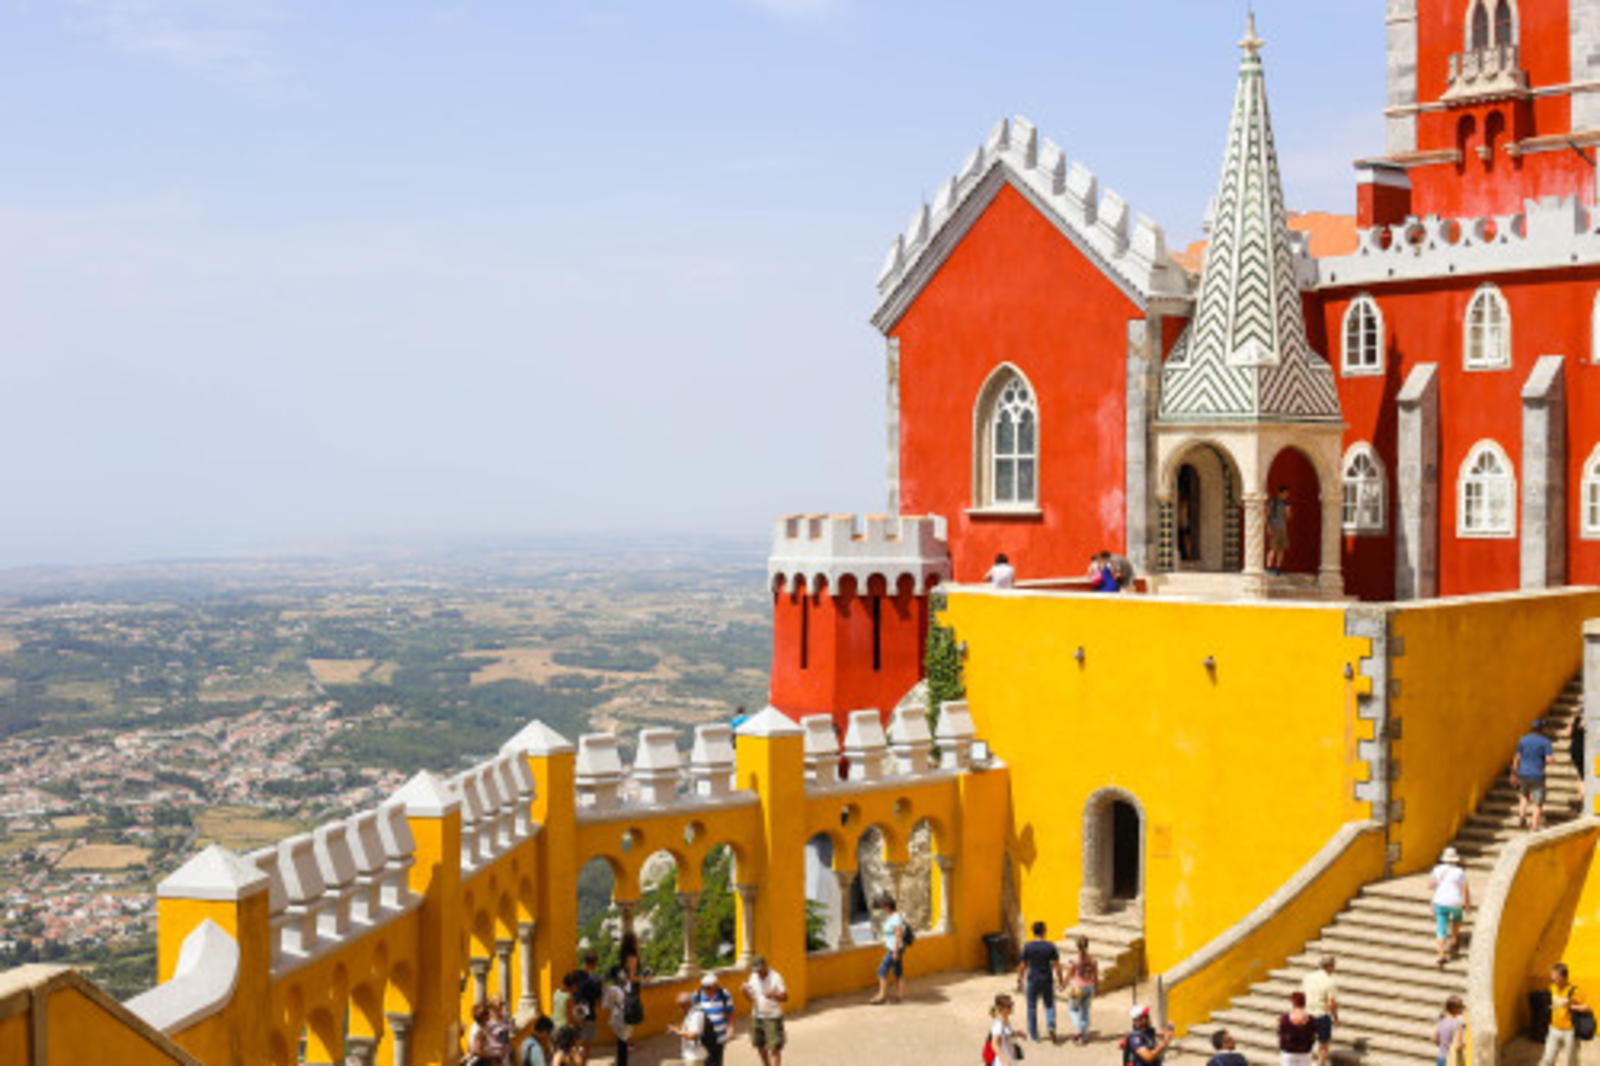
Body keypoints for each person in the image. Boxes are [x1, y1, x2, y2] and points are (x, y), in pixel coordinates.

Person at [1015, 919, 1064, 1043]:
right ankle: (1051, 1025)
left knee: (1031, 1007)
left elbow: (1022, 965)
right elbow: (1057, 965)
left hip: (1033, 979)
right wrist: (1061, 980)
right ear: (1044, 931)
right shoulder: (1050, 946)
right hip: (1047, 979)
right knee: (1049, 1005)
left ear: (1033, 932)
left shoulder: (1028, 947)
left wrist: (1019, 980)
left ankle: (1033, 1035)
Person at [742, 954, 788, 1066]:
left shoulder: (776, 977)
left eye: (760, 970)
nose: (758, 973)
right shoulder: (753, 977)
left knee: (775, 1047)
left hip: (772, 1016)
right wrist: (744, 992)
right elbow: (751, 999)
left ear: (765, 966)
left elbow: (785, 997)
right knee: (760, 1045)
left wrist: (773, 995)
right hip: (757, 1016)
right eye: (756, 970)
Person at [1542, 962, 1591, 1066]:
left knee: (1571, 1061)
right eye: (1552, 975)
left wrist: (1571, 1006)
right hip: (1553, 1029)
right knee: (1547, 1059)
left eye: (1555, 975)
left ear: (1563, 977)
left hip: (1570, 1031)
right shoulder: (1552, 987)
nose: (1552, 978)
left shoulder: (1574, 991)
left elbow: (1588, 1008)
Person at [1429, 847, 1471, 967]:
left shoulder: (1437, 870)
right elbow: (1465, 889)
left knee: (1441, 929)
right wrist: (1467, 904)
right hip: (1455, 901)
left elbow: (1430, 885)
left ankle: (1441, 955)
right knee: (1457, 918)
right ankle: (1454, 938)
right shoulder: (1459, 872)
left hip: (1440, 902)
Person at [1514, 719, 1556, 830]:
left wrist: (1514, 772)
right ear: (1542, 729)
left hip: (1523, 773)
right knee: (1538, 802)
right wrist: (1551, 760)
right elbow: (1548, 759)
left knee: (1524, 795)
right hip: (1537, 774)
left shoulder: (1523, 740)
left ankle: (1522, 816)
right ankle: (1534, 826)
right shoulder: (1545, 742)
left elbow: (1517, 757)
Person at [868, 895, 908, 1004]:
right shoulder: (892, 917)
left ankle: (882, 996)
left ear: (887, 907)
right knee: (898, 972)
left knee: (882, 970)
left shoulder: (895, 918)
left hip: (894, 950)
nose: (882, 909)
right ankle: (900, 996)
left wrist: (895, 952)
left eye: (883, 906)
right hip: (894, 948)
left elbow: (898, 935)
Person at [1301, 956, 1339, 1066]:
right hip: (1321, 1015)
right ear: (1330, 967)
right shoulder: (1330, 981)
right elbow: (1331, 1003)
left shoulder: (1308, 977)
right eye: (1333, 966)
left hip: (1308, 1014)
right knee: (1323, 1045)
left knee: (1307, 1042)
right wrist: (1335, 1018)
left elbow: (1302, 994)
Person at [1065, 934, 1099, 1045]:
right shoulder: (1093, 959)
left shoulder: (1074, 960)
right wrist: (1096, 987)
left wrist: (1063, 985)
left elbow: (1069, 974)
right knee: (1085, 1011)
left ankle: (1078, 1030)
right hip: (1089, 986)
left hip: (1077, 987)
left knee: (1073, 1009)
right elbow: (1095, 975)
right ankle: (1084, 1034)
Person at [695, 972, 734, 1066]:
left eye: (709, 987)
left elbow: (730, 1012)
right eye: (704, 987)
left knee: (717, 1061)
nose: (706, 990)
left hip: (719, 1036)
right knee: (706, 1062)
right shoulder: (697, 996)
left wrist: (731, 1028)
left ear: (715, 986)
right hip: (704, 1037)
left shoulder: (724, 994)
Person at [601, 970, 632, 1066]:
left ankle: (621, 1063)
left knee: (621, 1041)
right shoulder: (628, 987)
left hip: (618, 1015)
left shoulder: (613, 990)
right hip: (628, 1014)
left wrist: (604, 982)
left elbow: (605, 1005)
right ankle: (623, 1062)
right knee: (624, 1040)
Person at [1279, 991, 1317, 1066]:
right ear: (1304, 1003)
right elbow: (1313, 1035)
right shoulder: (1311, 1019)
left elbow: (1281, 1033)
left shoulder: (1285, 1018)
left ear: (1293, 1002)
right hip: (1304, 1052)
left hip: (1289, 1052)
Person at [669, 991, 708, 1064]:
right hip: (691, 1054)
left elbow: (692, 1035)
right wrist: (680, 1027)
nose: (680, 1009)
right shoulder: (690, 1013)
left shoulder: (696, 1015)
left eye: (680, 1006)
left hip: (695, 1056)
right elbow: (690, 1027)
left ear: (685, 1005)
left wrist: (676, 1031)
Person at [986, 993, 1023, 1065]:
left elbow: (1005, 1035)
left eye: (1012, 1004)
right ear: (1002, 1008)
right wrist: (1004, 1061)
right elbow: (994, 1044)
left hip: (1010, 1058)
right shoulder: (999, 1024)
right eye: (1009, 1006)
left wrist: (1016, 1033)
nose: (1012, 1008)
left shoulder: (1006, 1021)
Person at [576, 952, 603, 1048]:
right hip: (590, 1012)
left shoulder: (577, 974)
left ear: (585, 962)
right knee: (587, 1043)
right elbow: (598, 1002)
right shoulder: (597, 980)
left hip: (578, 1009)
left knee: (577, 1039)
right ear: (595, 964)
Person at [1266, 486, 1291, 575]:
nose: (1286, 495)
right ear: (1280, 493)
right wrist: (1268, 526)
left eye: (1287, 494)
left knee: (1281, 549)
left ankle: (1278, 567)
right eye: (1285, 493)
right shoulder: (1273, 502)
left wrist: (1288, 510)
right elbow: (1267, 514)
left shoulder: (1286, 504)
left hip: (1283, 528)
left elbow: (1288, 517)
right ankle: (1269, 567)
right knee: (1273, 548)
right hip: (1274, 527)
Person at [1435, 996, 1466, 1066]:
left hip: (1441, 1058)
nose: (1462, 1010)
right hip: (1451, 1061)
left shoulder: (1440, 1020)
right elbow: (1458, 1046)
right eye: (1461, 1008)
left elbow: (1435, 1040)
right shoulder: (1458, 1023)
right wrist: (1463, 1045)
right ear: (1455, 1009)